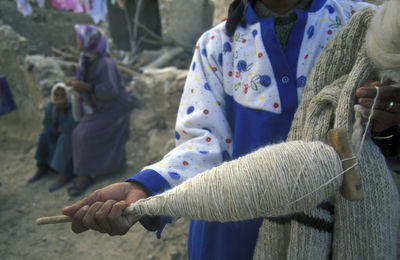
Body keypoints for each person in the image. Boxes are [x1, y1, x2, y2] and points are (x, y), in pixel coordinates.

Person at [62, 1, 400, 259]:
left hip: (344, 227)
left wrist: (391, 123)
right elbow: (203, 143)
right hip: (233, 232)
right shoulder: (216, 45)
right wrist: (145, 188)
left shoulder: (374, 29)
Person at [66, 24, 133, 197]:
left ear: (88, 41)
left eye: (79, 39)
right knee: (77, 132)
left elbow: (110, 91)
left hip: (114, 107)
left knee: (84, 134)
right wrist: (77, 84)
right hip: (100, 106)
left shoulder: (105, 63)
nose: (77, 42)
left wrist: (86, 86)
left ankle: (85, 176)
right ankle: (83, 172)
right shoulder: (86, 59)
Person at [28, 82, 76, 192]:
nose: (59, 98)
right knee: (43, 136)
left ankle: (64, 174)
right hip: (54, 133)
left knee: (64, 139)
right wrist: (54, 130)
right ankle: (42, 166)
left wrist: (63, 112)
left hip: (68, 135)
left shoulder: (71, 106)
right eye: (57, 95)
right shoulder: (51, 105)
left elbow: (72, 124)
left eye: (62, 95)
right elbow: (46, 122)